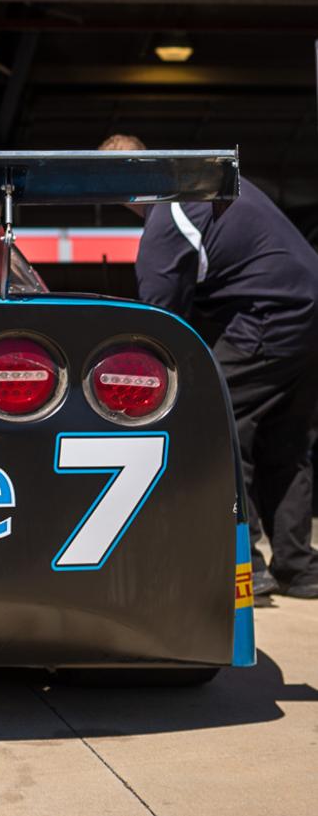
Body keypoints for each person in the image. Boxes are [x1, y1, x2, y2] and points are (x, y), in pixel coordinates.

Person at [99, 134, 318, 600]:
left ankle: (246, 564)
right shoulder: (208, 186)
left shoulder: (168, 219)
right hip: (308, 311)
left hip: (270, 317)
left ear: (115, 188)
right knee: (286, 442)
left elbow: (159, 327)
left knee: (215, 426)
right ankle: (298, 569)